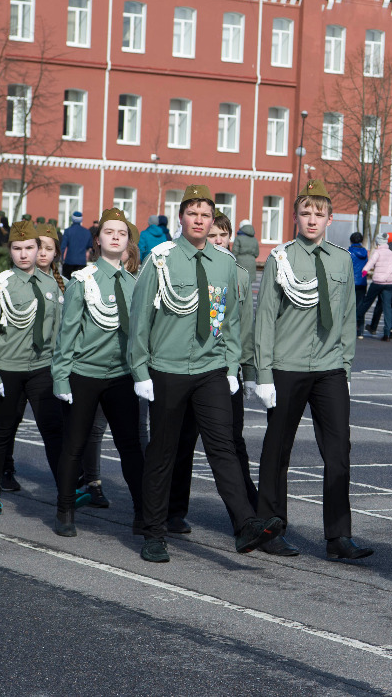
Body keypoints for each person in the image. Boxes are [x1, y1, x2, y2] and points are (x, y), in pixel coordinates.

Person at [129, 185, 278, 563]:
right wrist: (140, 370)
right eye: (192, 213)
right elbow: (141, 318)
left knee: (223, 447)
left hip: (211, 369)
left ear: (213, 220)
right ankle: (154, 532)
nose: (199, 220)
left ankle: (245, 523)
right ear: (181, 217)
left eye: (205, 214)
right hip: (167, 369)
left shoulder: (225, 263)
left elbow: (229, 322)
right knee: (163, 453)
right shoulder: (160, 259)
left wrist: (231, 368)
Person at [253, 178, 370, 561]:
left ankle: (339, 537)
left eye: (319, 214)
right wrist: (264, 373)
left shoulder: (340, 259)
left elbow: (348, 316)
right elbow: (266, 318)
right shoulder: (280, 258)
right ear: (295, 217)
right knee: (277, 450)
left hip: (329, 368)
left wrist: (346, 368)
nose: (312, 220)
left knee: (338, 453)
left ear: (331, 219)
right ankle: (271, 528)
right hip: (286, 366)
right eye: (305, 213)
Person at [51, 208, 147, 537]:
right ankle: (65, 509)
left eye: (122, 232)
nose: (116, 236)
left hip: (122, 375)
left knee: (131, 445)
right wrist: (62, 377)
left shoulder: (137, 284)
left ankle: (142, 511)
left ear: (128, 242)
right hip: (85, 374)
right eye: (109, 232)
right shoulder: (83, 281)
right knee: (74, 444)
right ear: (98, 239)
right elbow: (68, 334)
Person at [166, 212, 259, 538]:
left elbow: (244, 328)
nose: (218, 241)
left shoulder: (238, 274)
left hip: (224, 371)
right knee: (182, 443)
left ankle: (249, 516)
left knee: (231, 445)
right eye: (213, 236)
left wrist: (247, 371)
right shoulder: (185, 265)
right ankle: (174, 511)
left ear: (229, 238)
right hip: (188, 368)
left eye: (222, 236)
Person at [0, 220, 64, 515]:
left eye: (29, 248)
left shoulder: (50, 285)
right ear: (10, 251)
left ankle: (65, 493)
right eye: (17, 248)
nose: (24, 254)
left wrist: (60, 373)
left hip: (41, 370)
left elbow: (58, 335)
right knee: (2, 431)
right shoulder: (2, 285)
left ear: (39, 249)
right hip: (7, 371)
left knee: (53, 432)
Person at [359, 234, 392, 340]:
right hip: (389, 282)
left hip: (378, 281)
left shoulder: (378, 252)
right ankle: (387, 333)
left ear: (378, 243)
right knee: (387, 307)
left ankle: (357, 321)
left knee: (367, 302)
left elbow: (371, 262)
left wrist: (364, 271)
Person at [60, 210, 92, 278]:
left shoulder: (68, 231)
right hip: (81, 262)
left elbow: (63, 247)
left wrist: (62, 259)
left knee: (66, 283)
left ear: (72, 219)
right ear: (81, 220)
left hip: (69, 261)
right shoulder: (87, 232)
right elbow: (89, 247)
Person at [232, 218, 260, 291]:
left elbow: (234, 252)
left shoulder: (238, 238)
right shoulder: (254, 239)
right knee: (248, 288)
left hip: (240, 263)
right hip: (252, 263)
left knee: (239, 286)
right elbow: (257, 253)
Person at [348, 232, 368, 317]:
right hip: (362, 281)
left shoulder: (349, 252)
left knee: (348, 306)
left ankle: (349, 327)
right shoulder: (365, 253)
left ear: (351, 241)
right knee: (360, 306)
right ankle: (360, 327)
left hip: (350, 282)